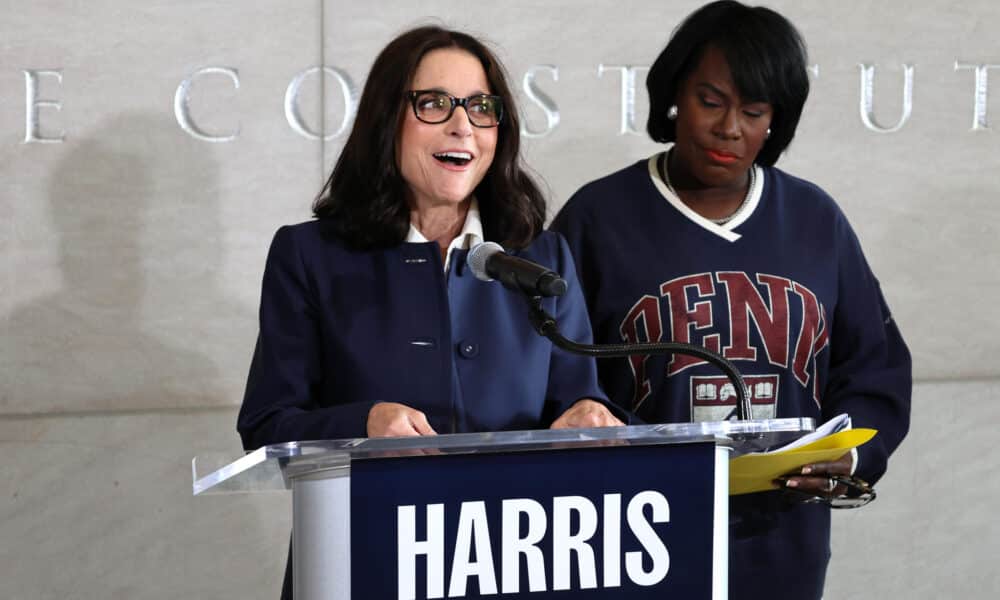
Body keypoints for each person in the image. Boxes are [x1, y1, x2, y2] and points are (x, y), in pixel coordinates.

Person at [237, 25, 625, 599]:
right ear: (386, 120)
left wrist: (590, 414)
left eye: (480, 107)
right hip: (364, 561)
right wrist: (363, 425)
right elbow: (267, 426)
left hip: (517, 565)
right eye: (434, 103)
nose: (462, 124)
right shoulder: (311, 256)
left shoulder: (540, 257)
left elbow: (575, 401)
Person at [551, 2, 911, 598]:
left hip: (782, 543)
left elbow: (875, 368)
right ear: (674, 96)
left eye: (753, 110)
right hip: (634, 537)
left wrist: (848, 456)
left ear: (776, 120)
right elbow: (548, 373)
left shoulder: (815, 220)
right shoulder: (597, 218)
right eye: (711, 101)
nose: (730, 128)